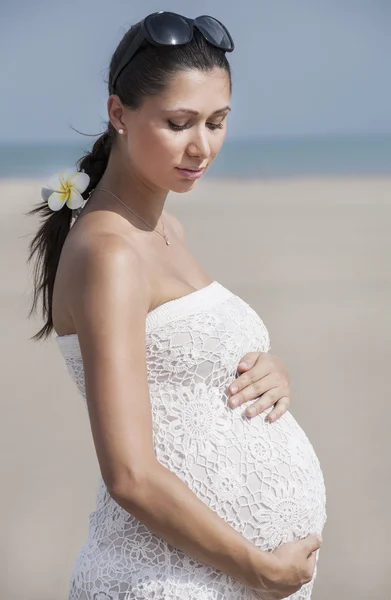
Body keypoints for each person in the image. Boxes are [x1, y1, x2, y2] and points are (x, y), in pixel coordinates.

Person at [27, 11, 326, 600]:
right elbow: (130, 475)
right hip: (168, 581)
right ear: (119, 114)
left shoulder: (166, 230)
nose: (202, 146)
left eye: (217, 122)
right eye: (179, 123)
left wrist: (268, 371)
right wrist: (260, 570)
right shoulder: (110, 252)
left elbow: (184, 367)